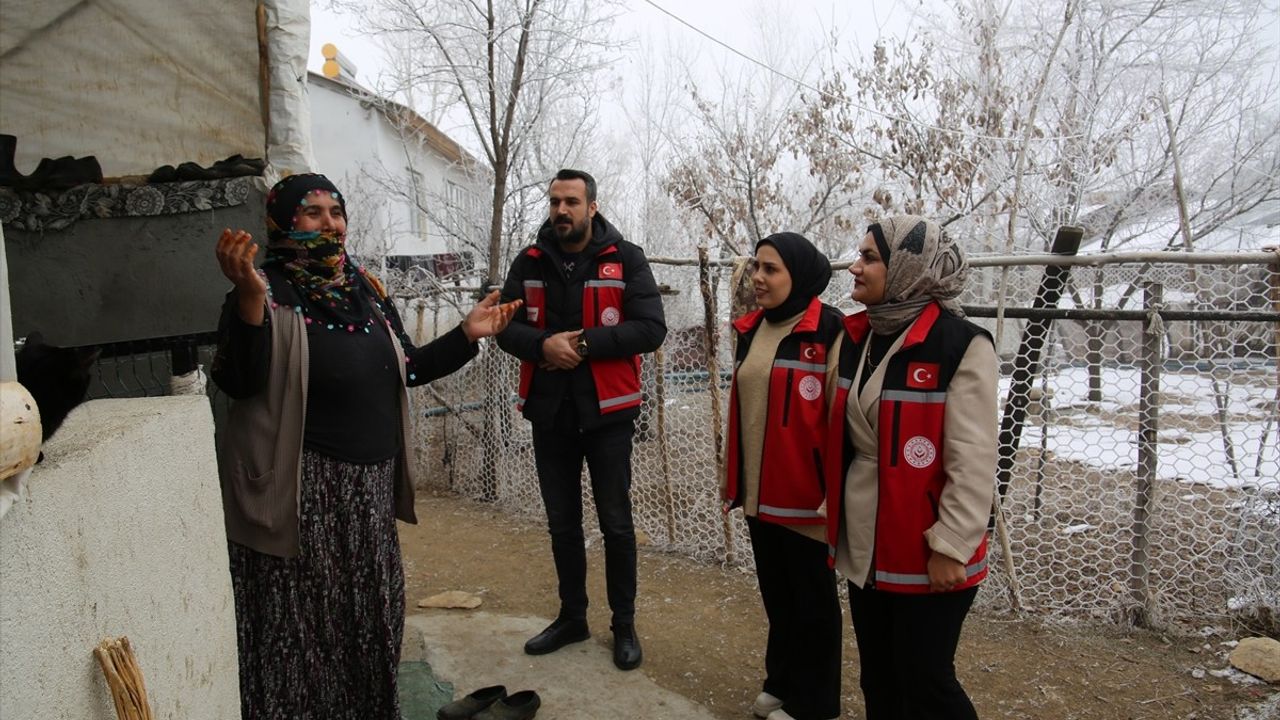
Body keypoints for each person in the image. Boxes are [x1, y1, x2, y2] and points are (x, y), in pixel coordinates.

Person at [210, 173, 517, 718]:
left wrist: (467, 335)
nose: (330, 223)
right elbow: (237, 380)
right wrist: (249, 301)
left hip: (369, 491)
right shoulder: (266, 290)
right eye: (313, 213)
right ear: (283, 222)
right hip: (303, 493)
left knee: (369, 619)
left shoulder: (364, 289)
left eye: (336, 212)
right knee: (303, 626)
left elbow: (411, 368)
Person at [495, 168, 666, 670]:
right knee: (562, 524)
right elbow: (505, 327)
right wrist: (541, 343)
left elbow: (650, 328)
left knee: (616, 523)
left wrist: (583, 344)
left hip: (608, 414)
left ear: (592, 206)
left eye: (571, 201)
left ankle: (624, 625)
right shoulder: (529, 261)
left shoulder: (625, 258)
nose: (561, 210)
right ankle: (573, 617)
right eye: (554, 202)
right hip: (549, 412)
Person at [829, 215, 997, 719]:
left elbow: (972, 459)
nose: (855, 266)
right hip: (866, 544)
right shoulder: (857, 336)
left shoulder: (961, 344)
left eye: (870, 257)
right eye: (859, 255)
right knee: (879, 676)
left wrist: (952, 545)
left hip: (928, 548)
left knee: (926, 681)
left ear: (907, 268)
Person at [723, 233, 844, 720]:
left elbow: (841, 418)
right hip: (759, 489)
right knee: (778, 595)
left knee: (813, 602)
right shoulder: (752, 328)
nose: (757, 278)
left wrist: (832, 490)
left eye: (770, 269)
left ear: (799, 275)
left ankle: (818, 704)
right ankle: (784, 681)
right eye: (756, 267)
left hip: (805, 494)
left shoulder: (832, 331)